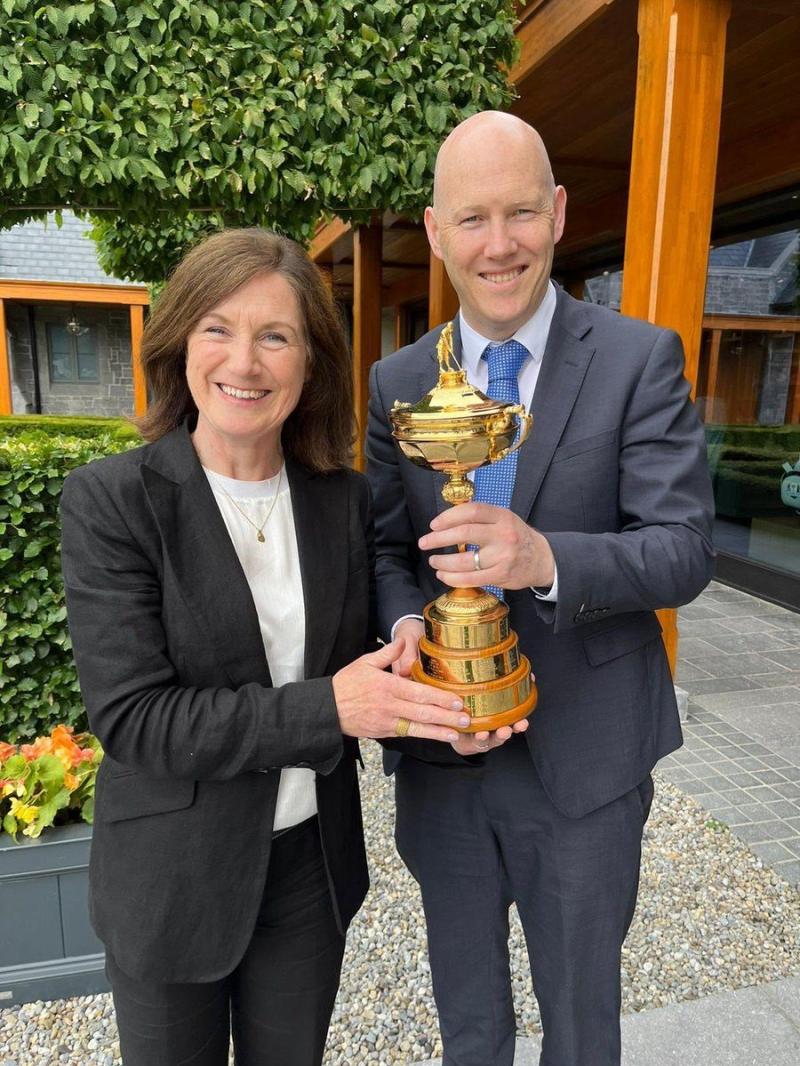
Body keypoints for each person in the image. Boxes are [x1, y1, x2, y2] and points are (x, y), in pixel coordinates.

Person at [60, 228, 470, 1066]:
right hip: (170, 882)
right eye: (218, 328)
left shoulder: (343, 502)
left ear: (309, 362)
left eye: (274, 335)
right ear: (179, 345)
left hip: (306, 875)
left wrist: (442, 717)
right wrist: (331, 706)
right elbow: (137, 719)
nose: (244, 362)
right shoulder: (113, 502)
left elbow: (368, 678)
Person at [366, 112, 715, 1066]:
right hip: (446, 760)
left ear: (557, 214)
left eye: (521, 212)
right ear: (436, 232)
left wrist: (545, 559)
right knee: (468, 1028)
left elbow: (683, 550)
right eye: (472, 219)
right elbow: (385, 549)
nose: (499, 243)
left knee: (581, 1029)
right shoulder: (396, 380)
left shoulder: (641, 359)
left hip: (588, 764)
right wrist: (409, 632)